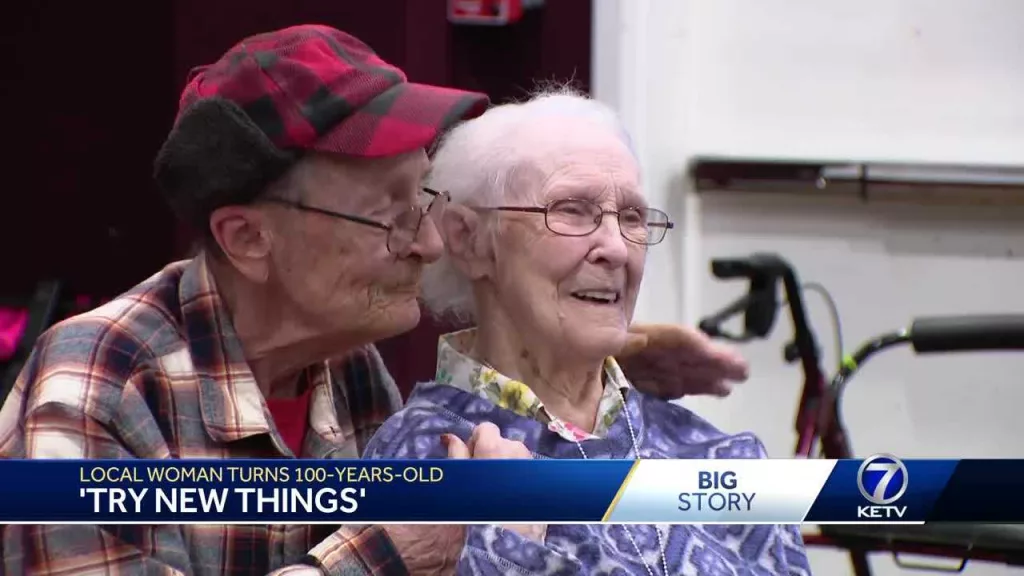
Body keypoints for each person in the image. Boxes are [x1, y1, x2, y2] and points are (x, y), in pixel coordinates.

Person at [0, 25, 749, 576]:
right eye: (390, 216)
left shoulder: (347, 368)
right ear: (249, 238)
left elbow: (496, 352)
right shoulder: (101, 381)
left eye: (421, 198)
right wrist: (395, 546)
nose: (427, 246)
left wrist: (615, 354)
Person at [362, 89, 813, 575]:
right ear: (469, 240)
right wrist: (504, 547)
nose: (617, 249)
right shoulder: (426, 457)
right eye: (572, 211)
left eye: (633, 218)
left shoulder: (724, 458)